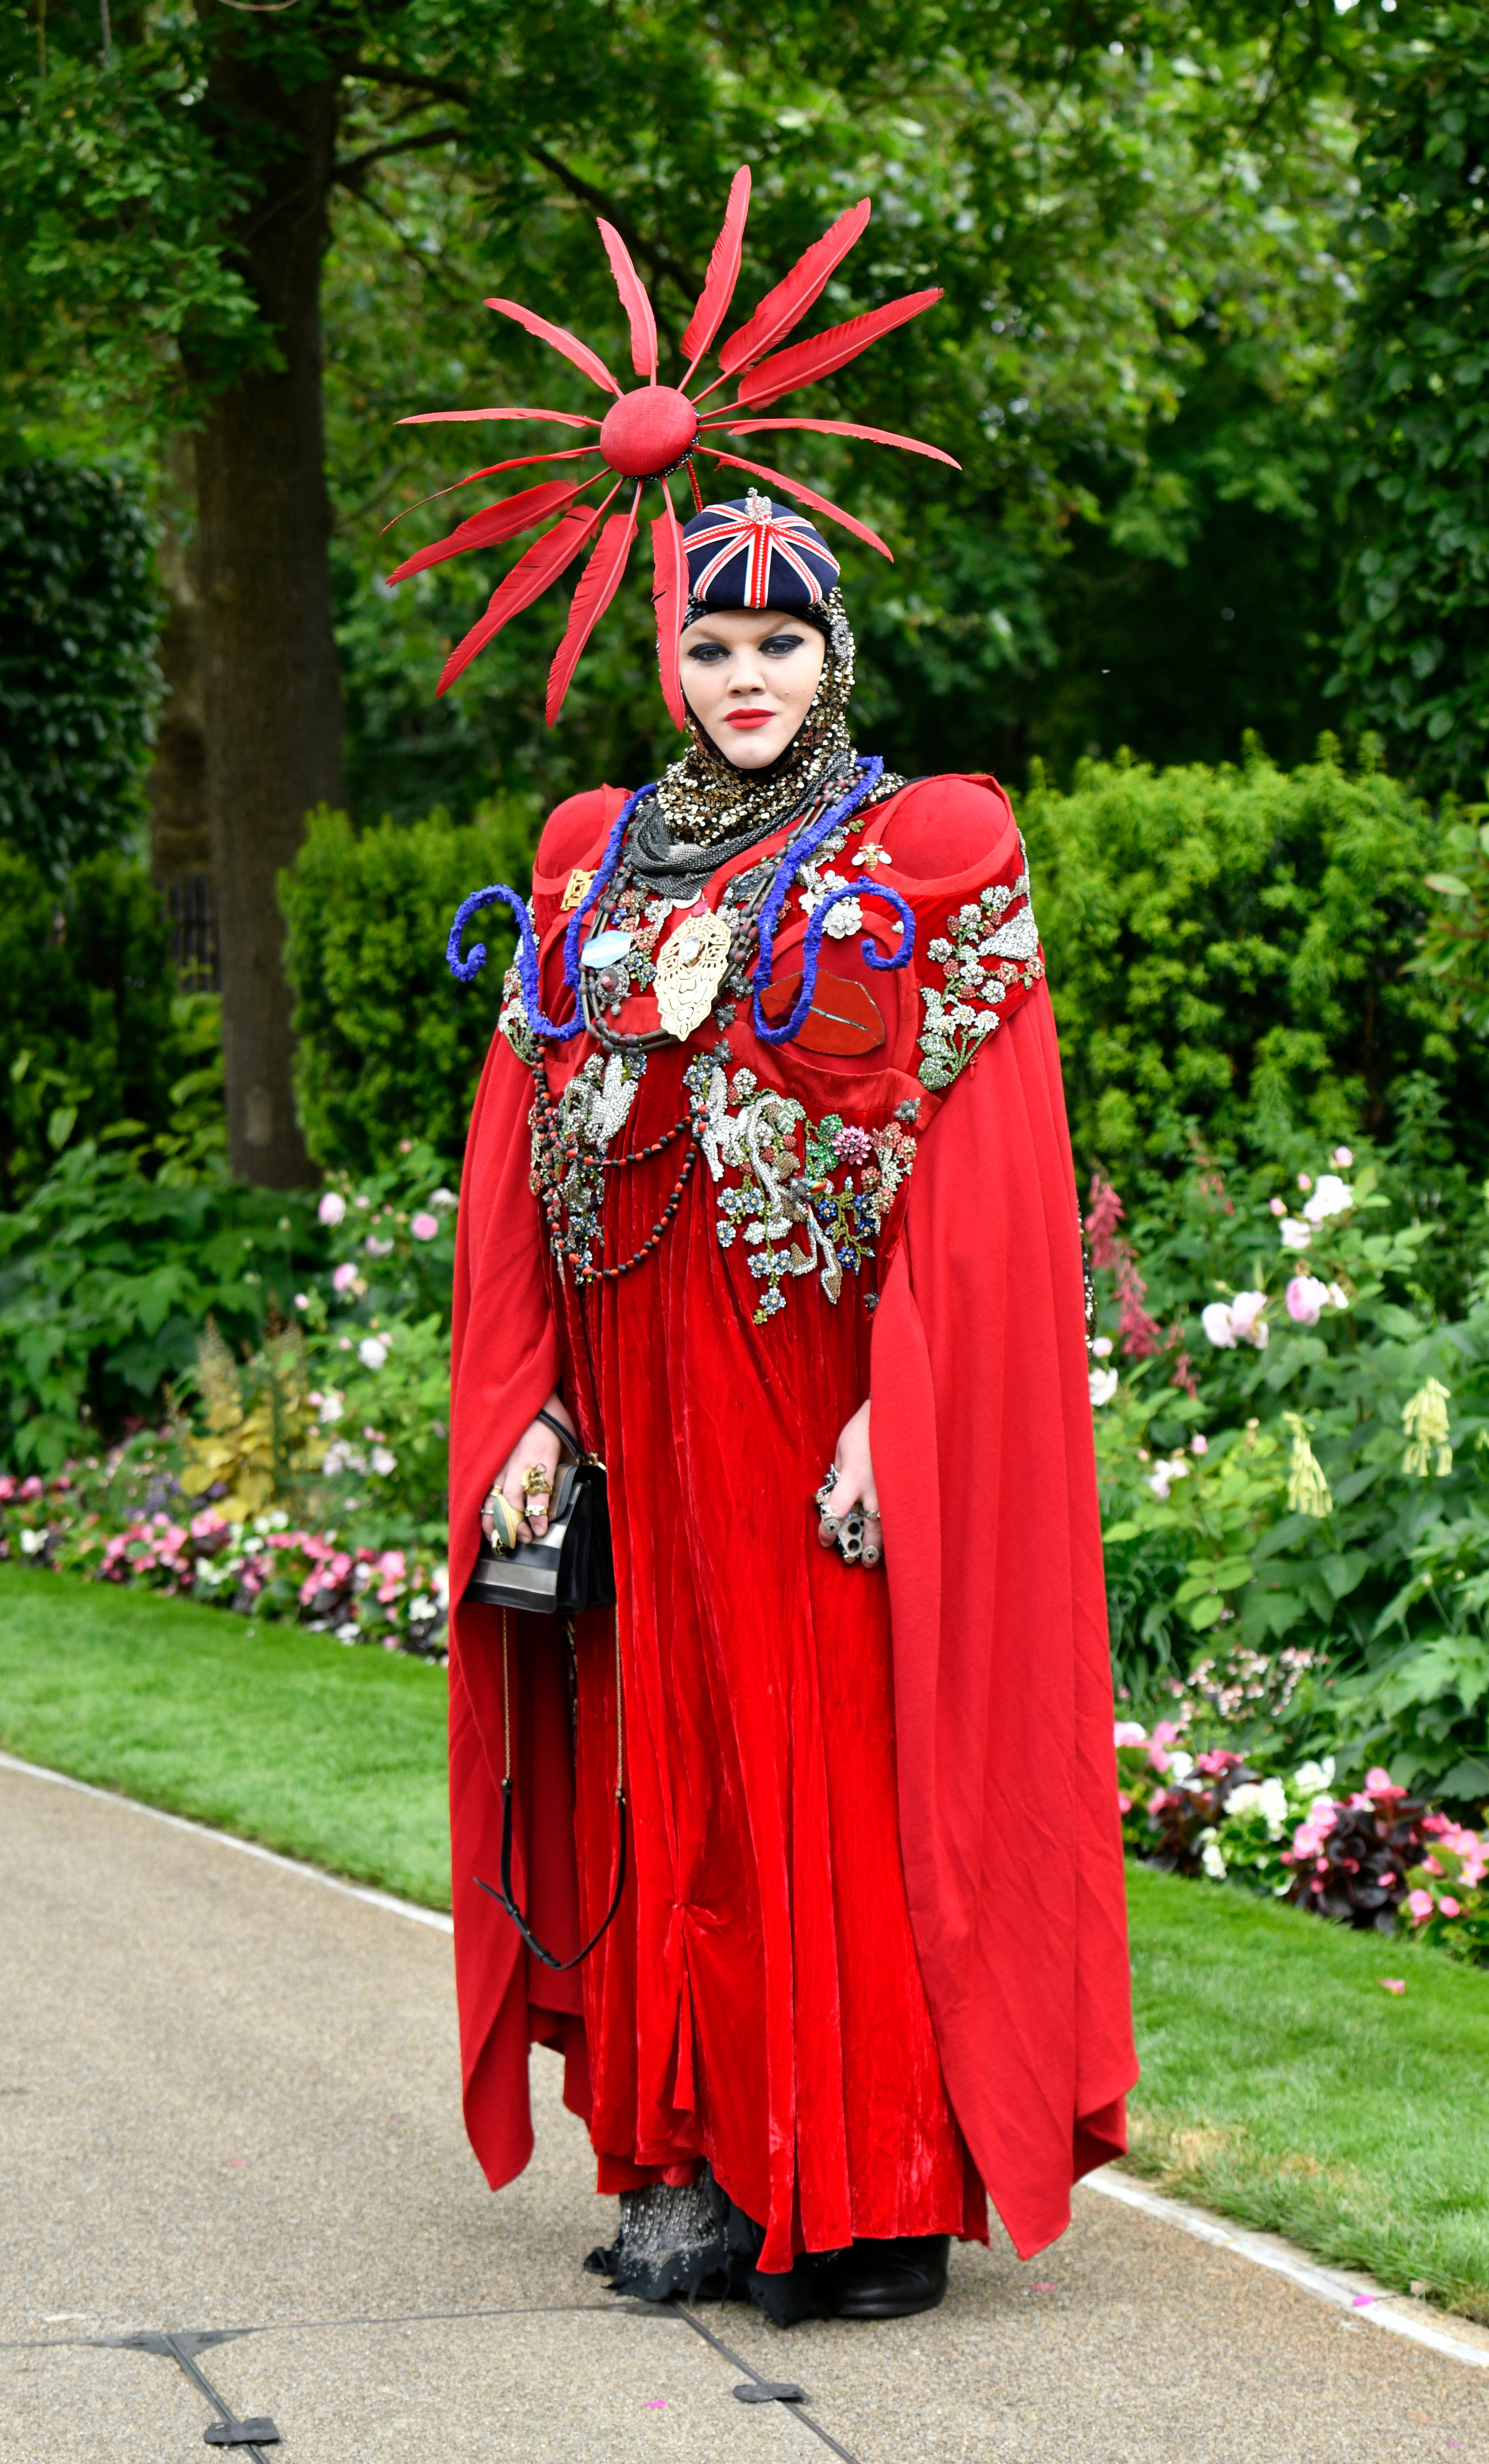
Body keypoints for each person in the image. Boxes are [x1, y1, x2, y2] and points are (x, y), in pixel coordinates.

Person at [444, 491, 1137, 2324]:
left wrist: (889, 1422)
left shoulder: (928, 842)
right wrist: (524, 1401)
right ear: (665, 662)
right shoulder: (597, 849)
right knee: (668, 1764)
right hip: (638, 1396)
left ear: (833, 652)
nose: (742, 676)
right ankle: (689, 2156)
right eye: (707, 645)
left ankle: (870, 2178)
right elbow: (517, 1148)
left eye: (777, 643)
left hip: (820, 1394)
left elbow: (978, 1170)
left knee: (829, 1755)